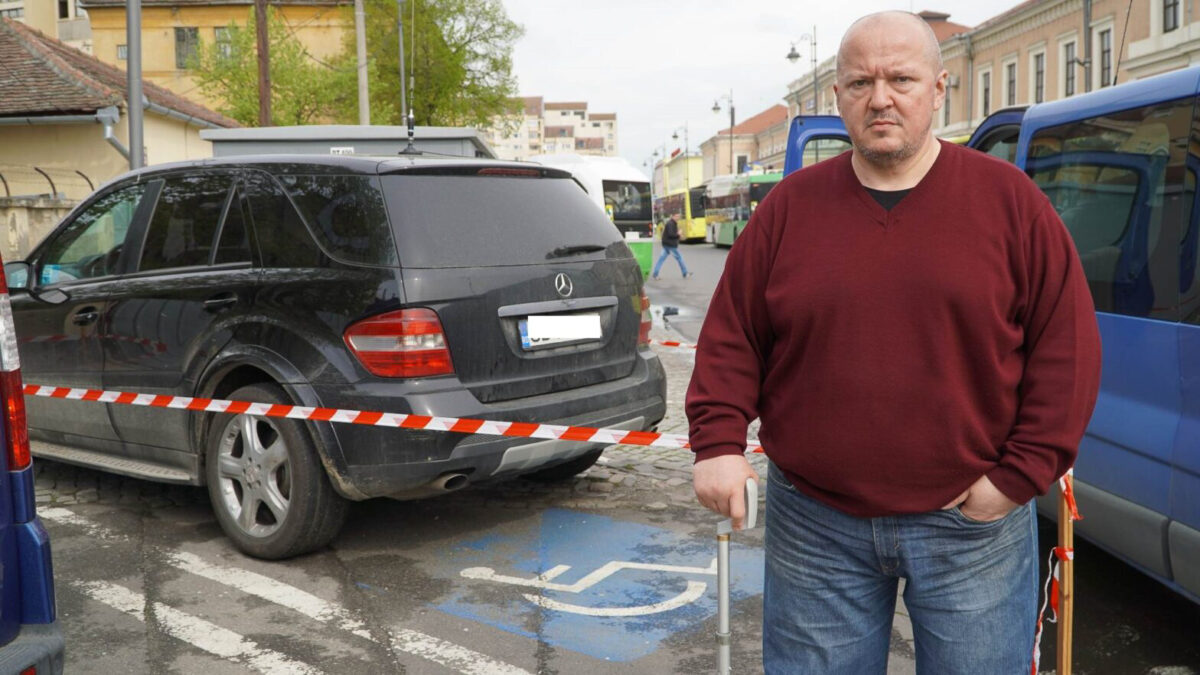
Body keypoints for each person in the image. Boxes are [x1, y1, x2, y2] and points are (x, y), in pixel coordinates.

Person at [686, 11, 1101, 674]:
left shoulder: (1010, 204)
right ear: (838, 99)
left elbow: (1067, 351)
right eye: (860, 82)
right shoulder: (787, 212)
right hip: (816, 525)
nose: (881, 97)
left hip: (974, 528)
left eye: (900, 79)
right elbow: (733, 337)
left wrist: (1017, 477)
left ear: (939, 90)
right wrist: (717, 441)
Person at [651, 212, 691, 279]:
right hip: (670, 245)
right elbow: (671, 234)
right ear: (673, 216)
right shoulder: (670, 224)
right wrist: (678, 234)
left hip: (667, 244)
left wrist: (678, 235)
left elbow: (672, 234)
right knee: (679, 258)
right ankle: (685, 273)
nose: (678, 218)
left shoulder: (672, 223)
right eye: (677, 216)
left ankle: (655, 274)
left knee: (661, 259)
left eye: (679, 216)